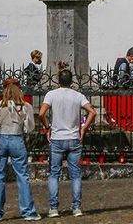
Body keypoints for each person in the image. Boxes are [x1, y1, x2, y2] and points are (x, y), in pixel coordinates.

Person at [39, 69, 97, 218]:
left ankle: (53, 208)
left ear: (58, 80)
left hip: (57, 138)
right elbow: (92, 112)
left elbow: (41, 113)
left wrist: (47, 127)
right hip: (74, 138)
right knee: (75, 174)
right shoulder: (78, 96)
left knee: (54, 173)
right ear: (72, 82)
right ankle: (76, 207)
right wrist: (83, 129)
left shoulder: (51, 95)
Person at [0, 79, 41, 221]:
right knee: (23, 176)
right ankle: (28, 212)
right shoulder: (25, 106)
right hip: (17, 139)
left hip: (1, 140)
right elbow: (30, 127)